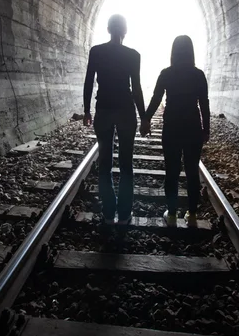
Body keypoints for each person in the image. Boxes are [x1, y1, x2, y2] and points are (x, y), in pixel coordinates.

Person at [83, 14, 148, 225]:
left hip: (103, 109)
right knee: (126, 164)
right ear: (125, 31)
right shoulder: (133, 55)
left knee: (105, 163)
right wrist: (144, 117)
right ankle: (125, 215)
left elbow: (88, 82)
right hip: (126, 111)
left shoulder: (97, 52)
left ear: (108, 29)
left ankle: (109, 213)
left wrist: (86, 110)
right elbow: (136, 88)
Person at [143, 35, 209, 227]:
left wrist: (146, 119)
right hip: (193, 127)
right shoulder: (198, 75)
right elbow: (204, 103)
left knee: (171, 171)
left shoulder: (166, 73)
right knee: (192, 172)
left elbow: (156, 99)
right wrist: (206, 129)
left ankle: (171, 215)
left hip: (171, 127)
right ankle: (193, 216)